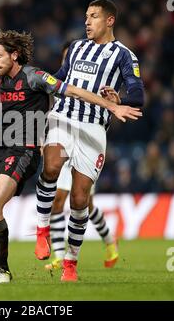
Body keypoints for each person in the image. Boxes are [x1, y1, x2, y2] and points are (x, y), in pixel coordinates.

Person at [0, 29, 141, 284]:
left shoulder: (36, 77)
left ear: (15, 55)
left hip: (23, 152)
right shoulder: (1, 81)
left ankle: (2, 269)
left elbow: (74, 91)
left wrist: (112, 105)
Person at [35, 0, 144, 282]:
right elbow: (60, 79)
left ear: (110, 21)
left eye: (93, 16)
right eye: (86, 16)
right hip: (63, 117)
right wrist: (35, 84)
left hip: (94, 127)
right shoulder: (75, 48)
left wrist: (121, 99)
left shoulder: (123, 55)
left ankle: (71, 262)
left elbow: (137, 93)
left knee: (80, 199)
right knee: (51, 167)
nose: (87, 21)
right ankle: (42, 230)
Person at [45, 41, 119, 271]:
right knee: (57, 200)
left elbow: (105, 115)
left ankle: (109, 241)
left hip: (85, 145)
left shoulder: (91, 87)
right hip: (62, 142)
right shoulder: (57, 87)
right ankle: (58, 255)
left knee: (84, 203)